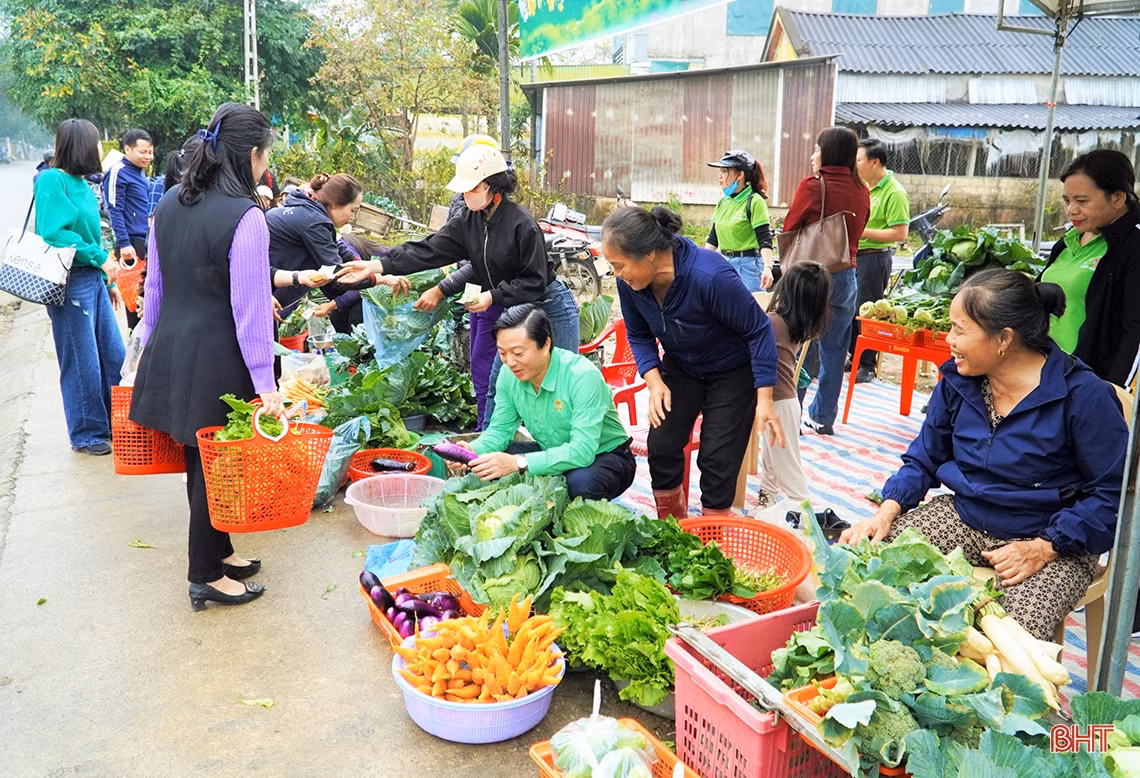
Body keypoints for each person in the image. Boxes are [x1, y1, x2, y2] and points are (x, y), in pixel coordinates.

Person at [840, 270, 1127, 639]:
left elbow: (1112, 494)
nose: (949, 340)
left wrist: (1044, 548)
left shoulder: (1083, 396)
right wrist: (887, 510)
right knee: (864, 571)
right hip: (965, 517)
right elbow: (925, 457)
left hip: (1053, 538)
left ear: (1004, 339)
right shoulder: (960, 382)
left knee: (1008, 641)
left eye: (960, 330)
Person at [130, 102, 281, 610]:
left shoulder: (170, 201)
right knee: (212, 466)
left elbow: (155, 287)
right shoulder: (247, 218)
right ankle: (203, 574)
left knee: (204, 459)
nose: (266, 167)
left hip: (173, 346)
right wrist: (267, 386)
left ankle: (221, 552)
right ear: (253, 155)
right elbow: (252, 312)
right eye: (266, 157)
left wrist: (146, 347)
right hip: (218, 358)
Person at [336, 143, 580, 423]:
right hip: (516, 312)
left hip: (549, 306)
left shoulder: (521, 225)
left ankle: (565, 453)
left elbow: (534, 282)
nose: (465, 195)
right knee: (499, 384)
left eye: (471, 189)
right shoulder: (469, 220)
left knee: (560, 385)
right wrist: (377, 264)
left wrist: (492, 297)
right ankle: (487, 449)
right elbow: (428, 249)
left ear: (491, 187)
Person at [602, 205, 784, 520]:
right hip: (681, 367)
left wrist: (764, 398)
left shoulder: (709, 275)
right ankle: (672, 527)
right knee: (662, 442)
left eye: (619, 265)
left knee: (717, 458)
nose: (617, 275)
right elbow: (639, 334)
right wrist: (654, 380)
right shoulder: (630, 284)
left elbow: (758, 330)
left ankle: (711, 539)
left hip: (731, 371)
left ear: (648, 255)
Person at [452, 305, 636, 500]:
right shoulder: (508, 374)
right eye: (502, 353)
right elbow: (500, 430)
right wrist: (473, 450)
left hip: (605, 455)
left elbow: (582, 451)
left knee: (580, 484)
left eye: (518, 353)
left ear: (546, 344)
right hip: (552, 449)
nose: (510, 362)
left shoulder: (582, 376)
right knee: (488, 462)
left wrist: (519, 462)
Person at [34, 119, 127, 456]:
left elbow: (90, 234)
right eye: (96, 144)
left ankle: (115, 423)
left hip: (93, 279)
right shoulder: (51, 180)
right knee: (81, 358)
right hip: (69, 281)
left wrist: (106, 279)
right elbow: (54, 233)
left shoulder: (82, 183)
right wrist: (99, 257)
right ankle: (87, 433)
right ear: (83, 146)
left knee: (113, 354)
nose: (99, 150)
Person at [783, 127, 871, 436]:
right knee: (835, 349)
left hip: (810, 277)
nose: (812, 156)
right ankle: (822, 417)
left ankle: (790, 412)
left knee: (796, 343)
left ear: (828, 153)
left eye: (817, 149)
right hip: (846, 276)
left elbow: (791, 226)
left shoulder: (813, 186)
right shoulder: (863, 190)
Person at [1040, 149, 1140, 388]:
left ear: (1117, 198)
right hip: (1049, 375)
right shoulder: (1069, 240)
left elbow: (1135, 330)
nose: (1071, 210)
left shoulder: (1133, 246)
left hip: (1090, 384)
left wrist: (1114, 392)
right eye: (1067, 200)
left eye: (1082, 201)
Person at [266, 172, 407, 318]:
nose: (352, 217)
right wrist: (381, 279)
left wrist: (368, 268)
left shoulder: (309, 213)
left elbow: (340, 250)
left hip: (270, 289)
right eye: (352, 210)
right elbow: (338, 277)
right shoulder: (314, 222)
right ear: (335, 203)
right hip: (264, 293)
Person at [756, 262, 831, 508]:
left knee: (787, 469)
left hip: (778, 403)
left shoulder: (772, 322)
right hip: (785, 402)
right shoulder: (795, 324)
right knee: (771, 460)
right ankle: (765, 505)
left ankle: (805, 515)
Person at [850, 138, 910, 384]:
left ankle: (867, 364)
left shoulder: (894, 192)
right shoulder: (862, 186)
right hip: (855, 256)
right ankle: (853, 356)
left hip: (875, 257)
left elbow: (900, 233)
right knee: (854, 309)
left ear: (874, 162)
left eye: (859, 160)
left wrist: (861, 232)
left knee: (870, 311)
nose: (855, 165)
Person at [103, 128, 155, 331]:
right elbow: (114, 209)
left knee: (145, 295)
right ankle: (134, 342)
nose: (148, 156)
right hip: (131, 245)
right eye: (143, 152)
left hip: (145, 240)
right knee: (134, 300)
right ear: (127, 149)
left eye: (150, 152)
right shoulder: (118, 172)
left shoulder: (140, 173)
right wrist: (124, 243)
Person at [705, 150, 774, 293]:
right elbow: (713, 238)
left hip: (749, 267)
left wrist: (767, 267)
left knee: (752, 312)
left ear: (740, 175)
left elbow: (764, 238)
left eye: (724, 171)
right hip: (724, 264)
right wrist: (700, 262)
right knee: (725, 311)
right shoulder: (723, 202)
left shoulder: (755, 201)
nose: (720, 176)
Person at [311, 233, 388, 334]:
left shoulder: (344, 249)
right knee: (337, 317)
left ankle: (368, 347)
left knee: (356, 316)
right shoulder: (314, 256)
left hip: (385, 283)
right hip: (363, 288)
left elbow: (363, 284)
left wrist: (333, 304)